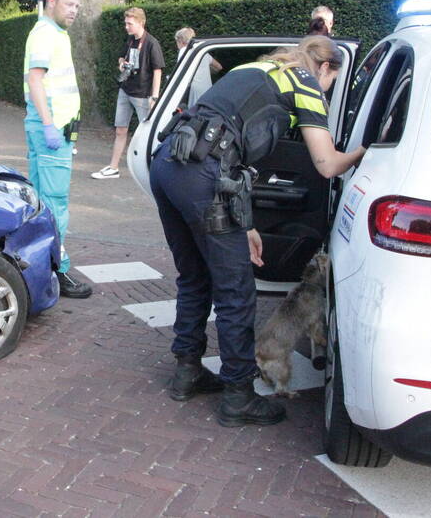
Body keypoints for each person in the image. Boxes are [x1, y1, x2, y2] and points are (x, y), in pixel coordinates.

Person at [150, 35, 365, 427]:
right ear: (326, 67)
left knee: (194, 276)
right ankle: (238, 395)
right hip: (204, 175)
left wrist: (244, 223)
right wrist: (366, 151)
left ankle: (187, 371)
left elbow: (230, 145)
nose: (328, 89)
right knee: (236, 291)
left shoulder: (256, 68)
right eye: (332, 81)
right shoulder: (305, 82)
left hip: (168, 164)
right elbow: (327, 164)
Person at [24, 0, 93, 299]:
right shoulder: (45, 34)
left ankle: (38, 268)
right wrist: (50, 124)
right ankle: (57, 270)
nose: (74, 10)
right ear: (51, 1)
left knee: (40, 202)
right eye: (69, 4)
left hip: (48, 127)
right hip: (51, 129)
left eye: (77, 5)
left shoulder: (52, 33)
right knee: (54, 203)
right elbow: (35, 79)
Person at [91, 8, 165, 179]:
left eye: (129, 24)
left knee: (149, 133)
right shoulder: (131, 40)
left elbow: (158, 70)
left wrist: (154, 97)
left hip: (142, 95)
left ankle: (155, 170)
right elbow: (121, 57)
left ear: (141, 23)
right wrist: (121, 63)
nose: (126, 27)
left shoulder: (152, 43)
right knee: (120, 130)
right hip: (125, 90)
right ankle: (113, 167)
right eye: (126, 23)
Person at [178, 27, 223, 108]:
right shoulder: (201, 51)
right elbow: (219, 67)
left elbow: (180, 72)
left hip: (194, 90)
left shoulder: (184, 50)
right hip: (208, 88)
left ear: (180, 41)